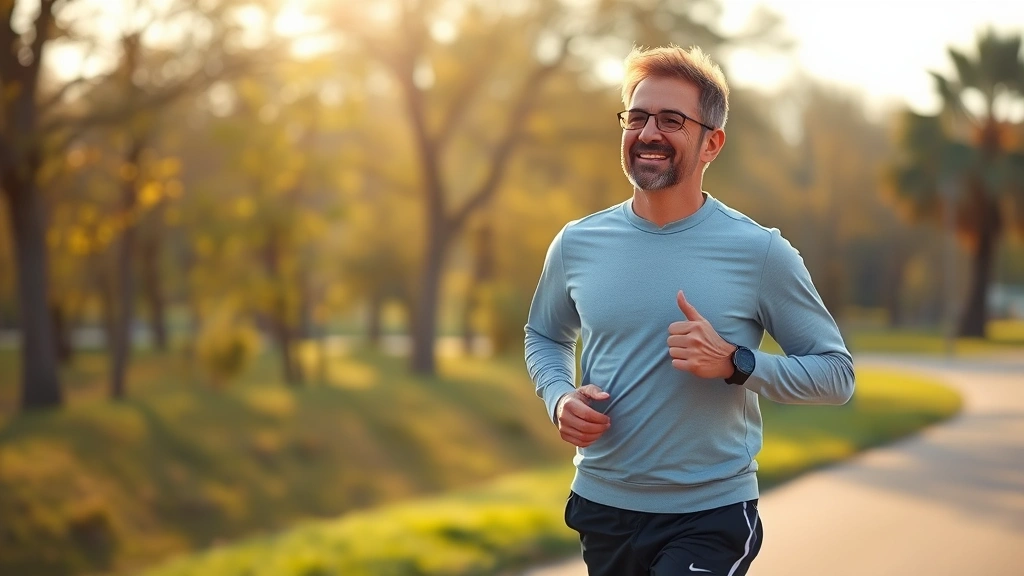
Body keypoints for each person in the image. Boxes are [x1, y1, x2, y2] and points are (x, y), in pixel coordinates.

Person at [523, 44, 855, 576]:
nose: (648, 132)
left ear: (711, 143)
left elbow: (836, 376)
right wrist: (559, 397)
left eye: (672, 120)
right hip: (604, 506)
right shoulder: (577, 243)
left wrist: (735, 363)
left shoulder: (759, 252)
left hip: (709, 514)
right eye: (637, 117)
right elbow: (545, 334)